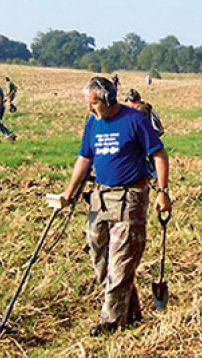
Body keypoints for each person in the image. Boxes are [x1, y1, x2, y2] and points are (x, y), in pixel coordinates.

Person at [60, 77, 171, 336]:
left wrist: (163, 193)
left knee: (121, 260)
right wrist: (69, 192)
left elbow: (159, 155)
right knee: (100, 257)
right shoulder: (92, 123)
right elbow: (84, 158)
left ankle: (111, 322)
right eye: (88, 103)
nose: (90, 108)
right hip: (100, 196)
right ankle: (131, 313)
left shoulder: (135, 120)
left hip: (130, 197)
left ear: (108, 99)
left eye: (94, 102)